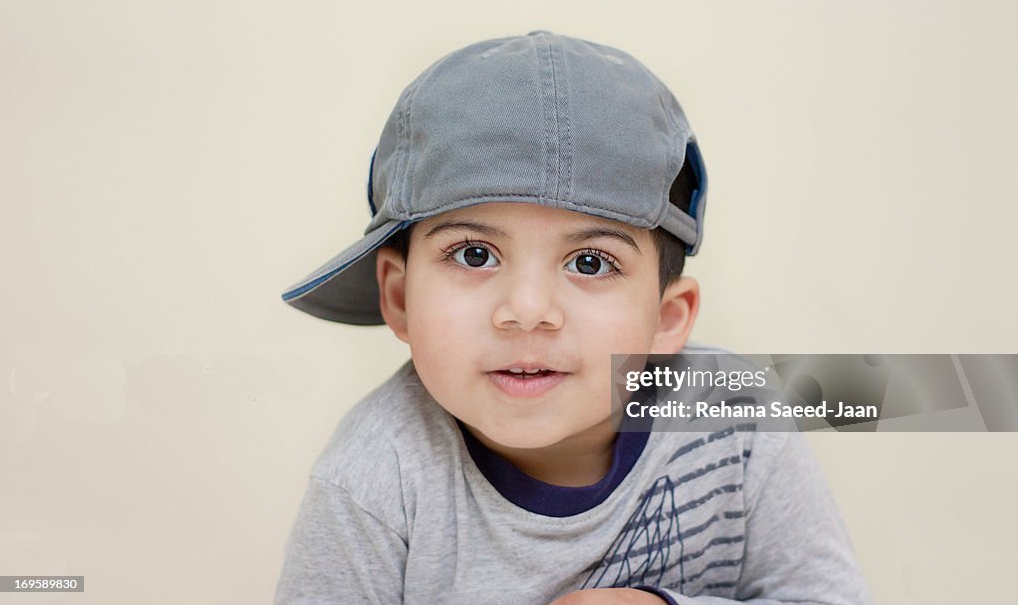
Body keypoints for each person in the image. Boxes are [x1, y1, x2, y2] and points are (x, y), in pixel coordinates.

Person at [273, 30, 871, 604]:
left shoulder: (737, 418)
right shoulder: (375, 480)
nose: (528, 312)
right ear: (400, 298)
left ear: (667, 320)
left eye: (590, 262)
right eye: (475, 255)